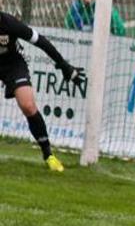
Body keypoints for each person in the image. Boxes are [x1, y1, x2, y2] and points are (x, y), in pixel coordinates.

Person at [0, 10, 85, 171]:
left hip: (12, 64)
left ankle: (48, 155)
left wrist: (63, 65)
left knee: (28, 105)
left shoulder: (10, 23)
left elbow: (41, 41)